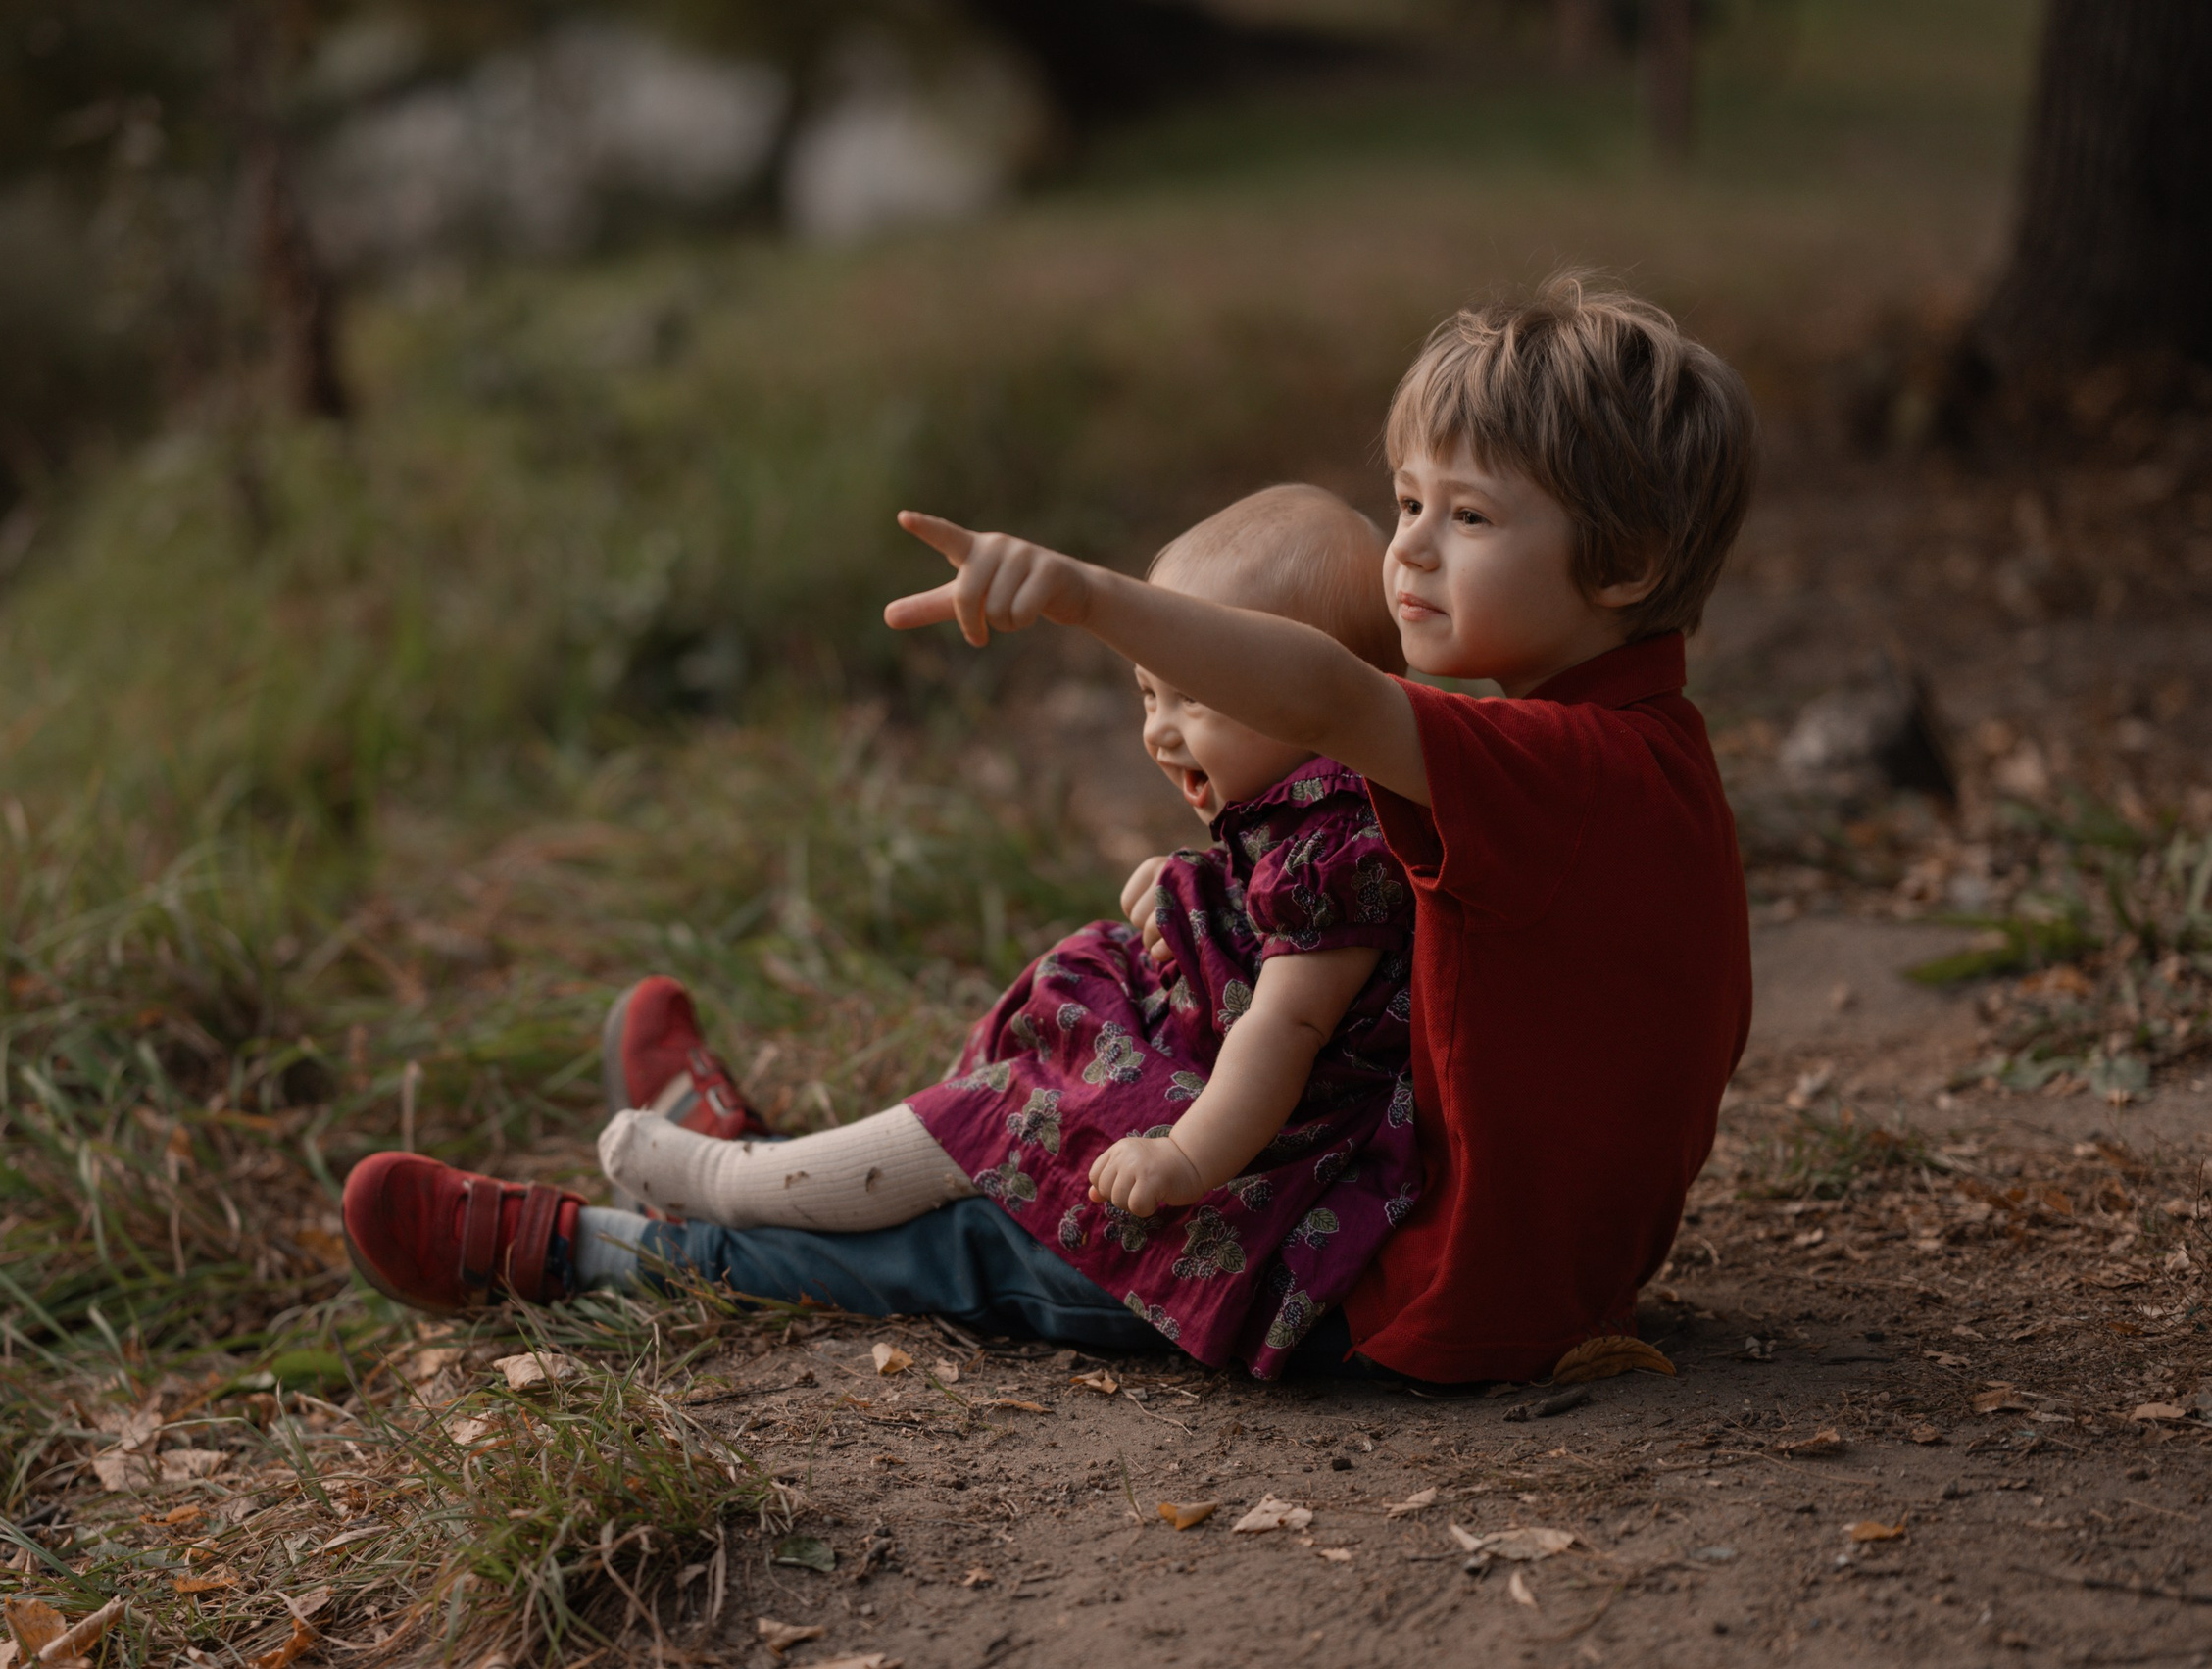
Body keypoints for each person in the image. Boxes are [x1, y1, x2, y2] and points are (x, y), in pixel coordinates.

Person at [348, 270, 1757, 1385]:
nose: (1409, 550)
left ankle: (594, 1250)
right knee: (1094, 1056)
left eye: (1470, 516)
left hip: (1413, 1286)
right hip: (1506, 1247)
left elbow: (1330, 694)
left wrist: (1089, 597)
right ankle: (757, 1158)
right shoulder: (1636, 752)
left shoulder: (1563, 765)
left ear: (1623, 563)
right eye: (1405, 502)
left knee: (983, 1241)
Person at [343, 487, 1426, 1381]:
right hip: (1217, 1116)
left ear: (1313, 695)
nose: (1157, 730)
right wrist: (1184, 890)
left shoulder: (1351, 845)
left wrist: (1183, 1155)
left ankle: (633, 1236)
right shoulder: (1320, 812)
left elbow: (1285, 1028)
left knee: (974, 1213)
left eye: (1196, 697)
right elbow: (1269, 927)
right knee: (1028, 1086)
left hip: (1242, 1191)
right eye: (1148, 692)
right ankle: (763, 1161)